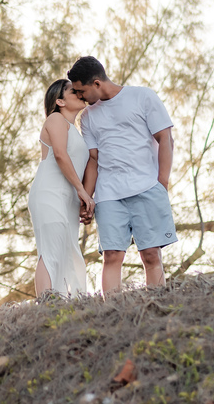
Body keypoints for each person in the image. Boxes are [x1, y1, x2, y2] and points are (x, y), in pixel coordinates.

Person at [67, 56, 176, 295]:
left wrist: (162, 183)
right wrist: (87, 196)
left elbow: (165, 138)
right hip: (109, 195)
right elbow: (93, 160)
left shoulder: (143, 97)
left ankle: (157, 307)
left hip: (147, 188)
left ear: (96, 83)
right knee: (112, 255)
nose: (80, 97)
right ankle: (112, 313)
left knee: (150, 254)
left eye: (81, 90)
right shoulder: (87, 117)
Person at [27, 78, 95, 296]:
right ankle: (45, 308)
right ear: (60, 101)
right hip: (49, 194)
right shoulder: (55, 119)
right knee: (51, 252)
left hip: (69, 200)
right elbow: (60, 154)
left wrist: (84, 200)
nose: (79, 94)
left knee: (69, 253)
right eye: (72, 92)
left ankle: (67, 305)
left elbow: (86, 165)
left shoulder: (78, 133)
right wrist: (82, 191)